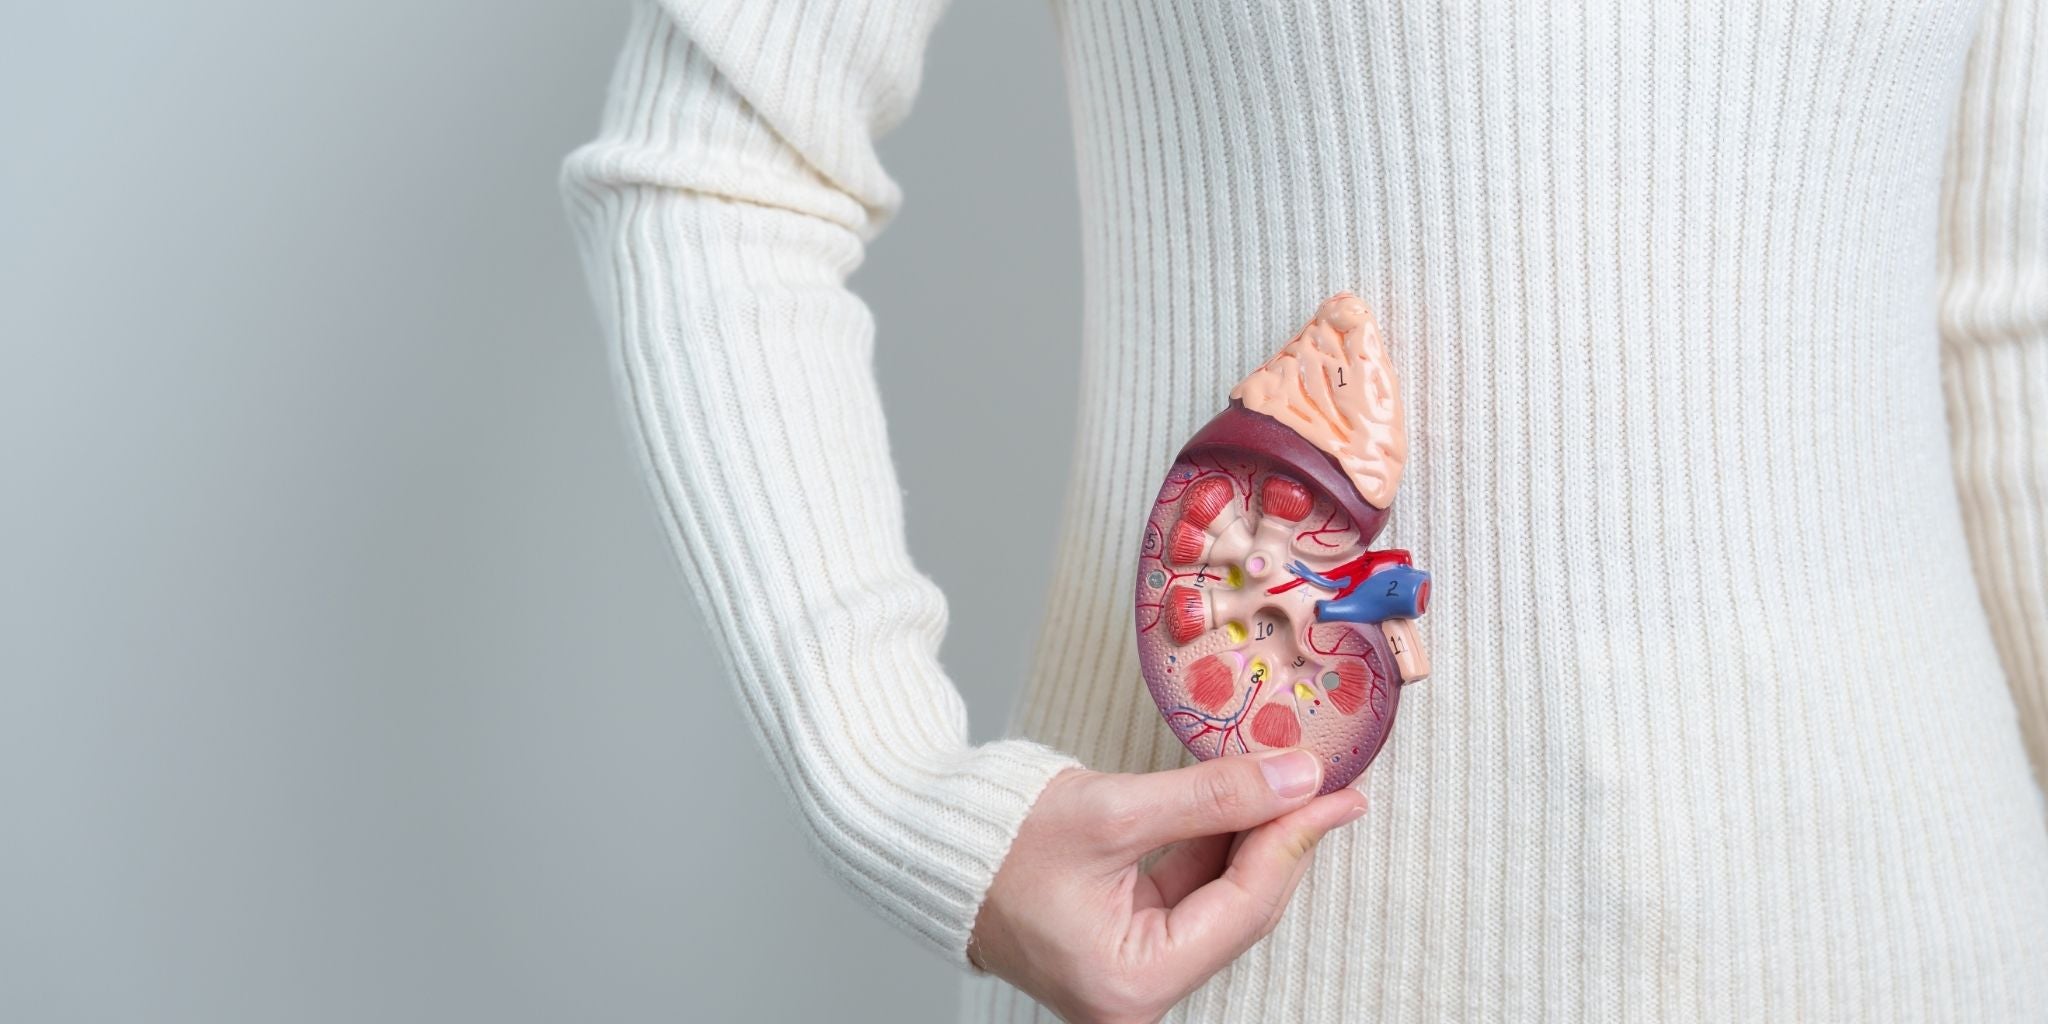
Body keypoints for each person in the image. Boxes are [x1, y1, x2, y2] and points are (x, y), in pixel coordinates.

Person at [559, 0, 2048, 1019]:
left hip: (1927, 936)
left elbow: (1998, 311)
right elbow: (720, 163)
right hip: (1262, 962)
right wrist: (893, 790)